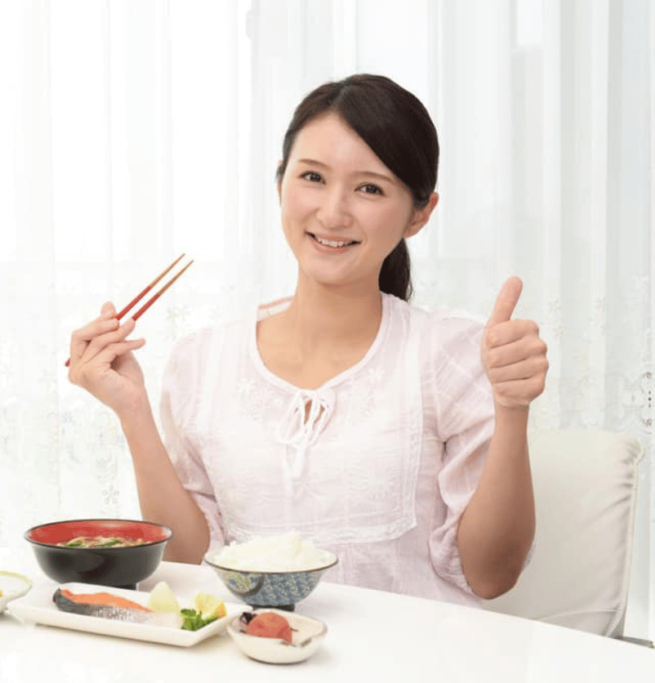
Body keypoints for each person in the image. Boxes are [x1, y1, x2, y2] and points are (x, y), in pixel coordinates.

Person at [67, 74, 548, 606]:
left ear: (420, 213)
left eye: (370, 188)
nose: (333, 212)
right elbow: (188, 566)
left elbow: (492, 575)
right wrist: (132, 412)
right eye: (313, 177)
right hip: (255, 656)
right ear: (280, 185)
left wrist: (512, 408)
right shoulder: (202, 363)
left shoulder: (453, 355)